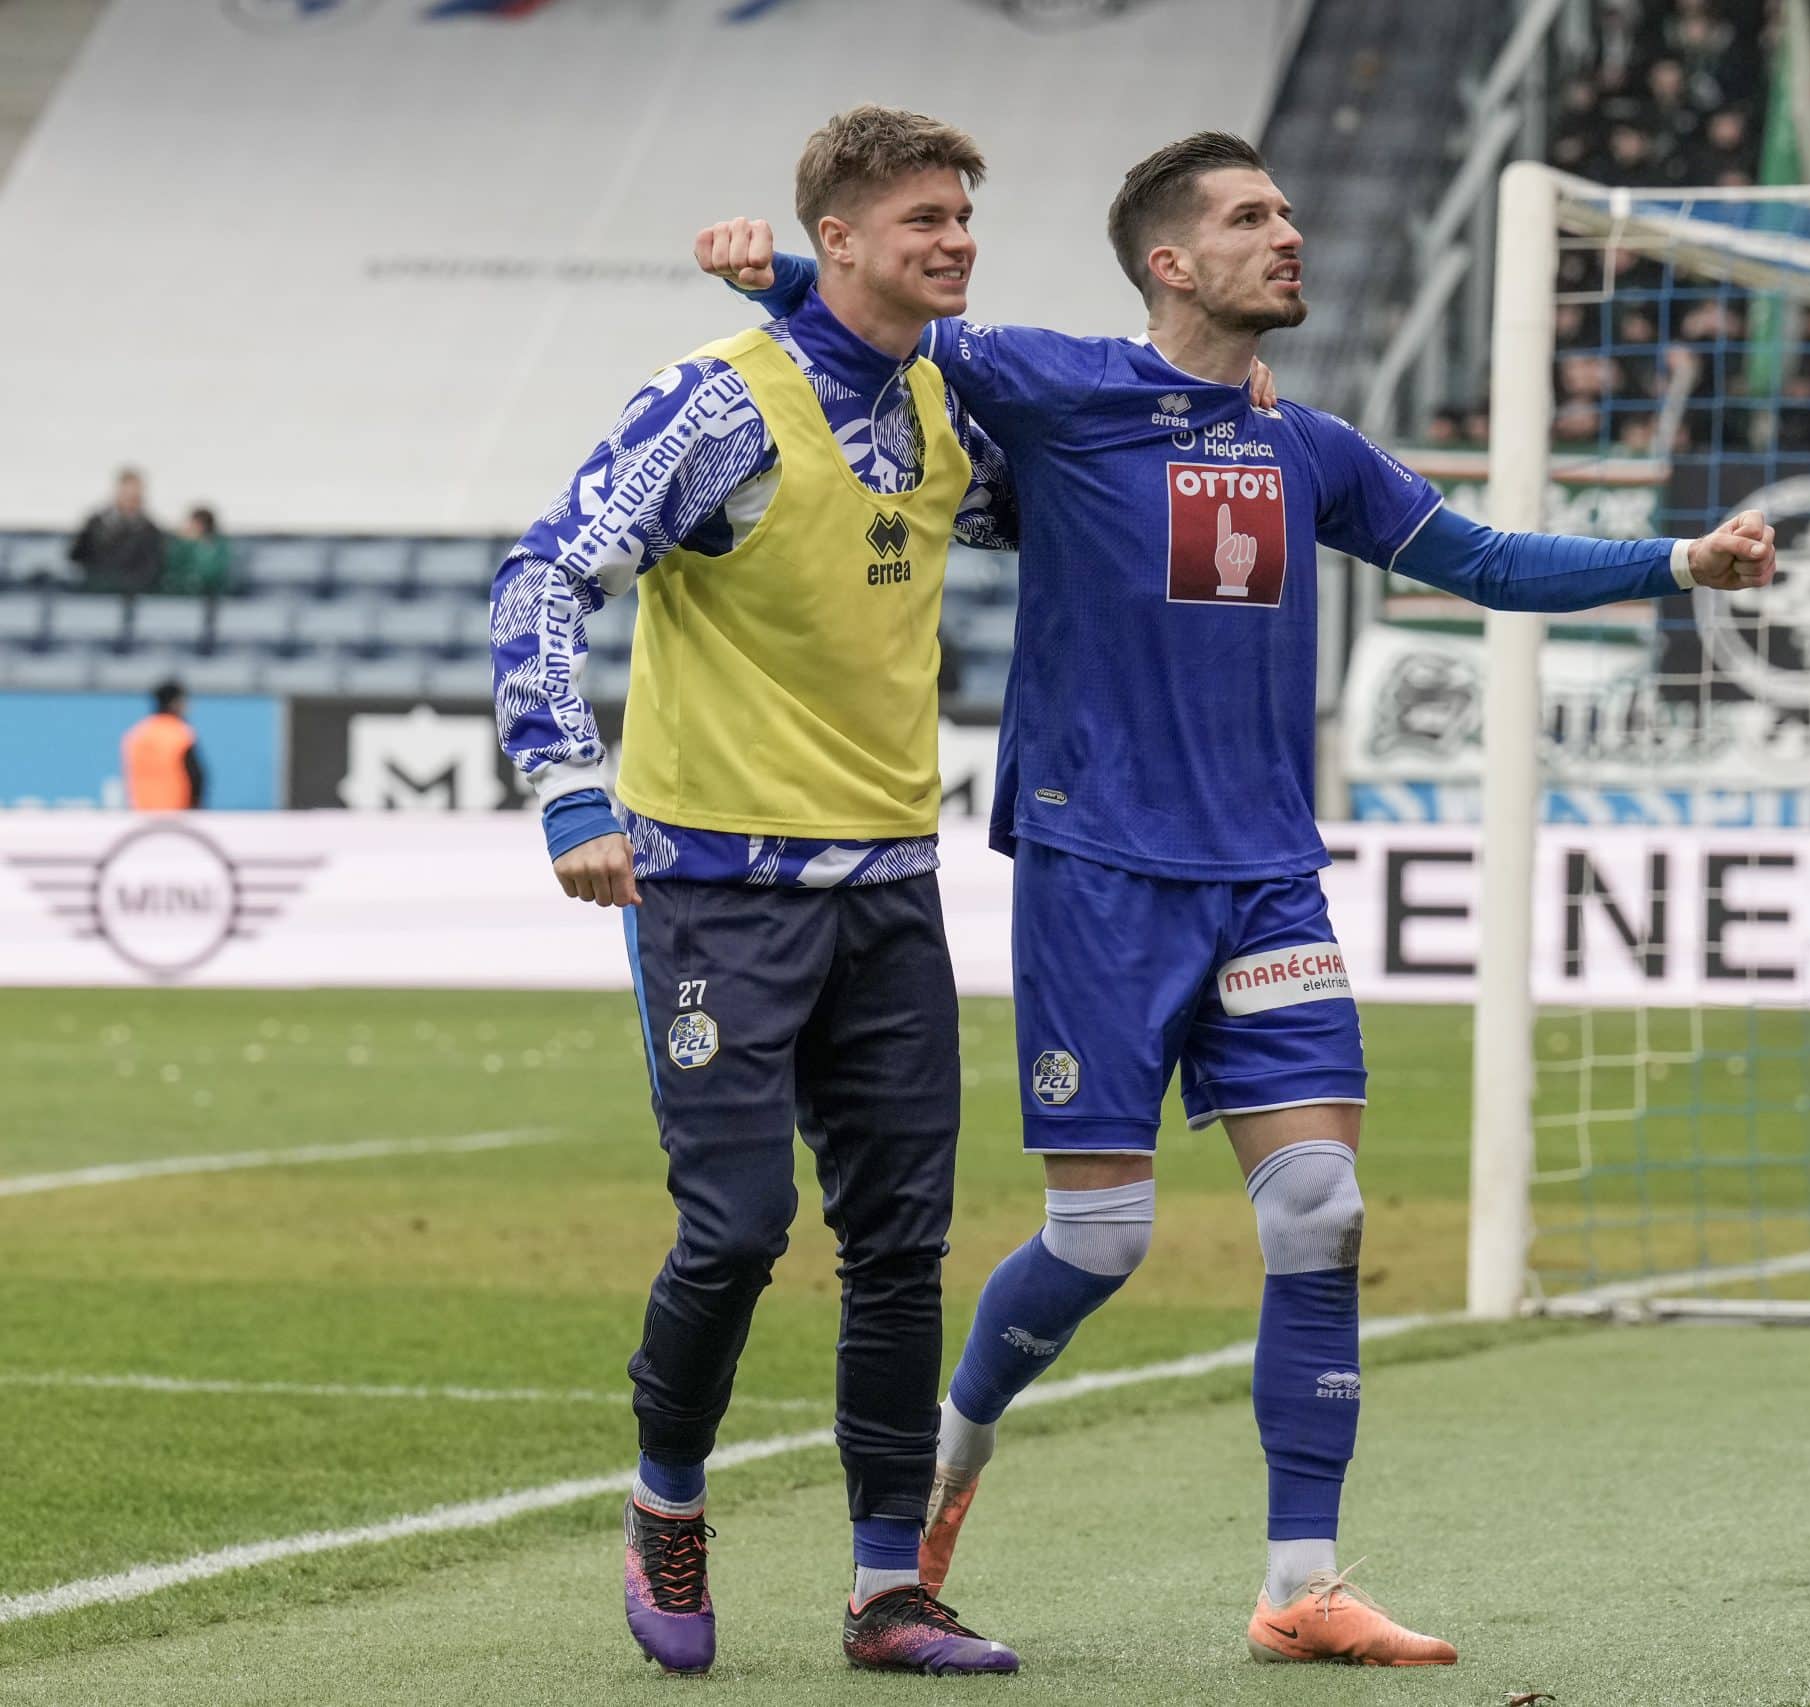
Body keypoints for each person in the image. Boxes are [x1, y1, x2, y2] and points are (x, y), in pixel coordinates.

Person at [700, 130, 1777, 1667]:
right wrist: (779, 270)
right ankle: (949, 1449)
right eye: (1251, 216)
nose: (1289, 235)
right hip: (1097, 870)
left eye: (1287, 212)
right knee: (1101, 1237)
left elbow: (1479, 557)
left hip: (1267, 880)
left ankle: (1300, 1581)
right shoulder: (1058, 384)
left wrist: (1677, 559)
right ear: (1171, 262)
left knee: (1322, 1210)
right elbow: (885, 321)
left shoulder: (1310, 445)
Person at [490, 106, 1033, 1680]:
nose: (957, 240)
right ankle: (668, 1500)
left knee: (902, 1244)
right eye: (924, 218)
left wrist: (1219, 405)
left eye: (964, 216)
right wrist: (570, 788)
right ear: (839, 237)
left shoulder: (948, 404)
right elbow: (544, 573)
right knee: (735, 1230)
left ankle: (888, 1587)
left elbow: (1069, 495)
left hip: (892, 886)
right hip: (717, 888)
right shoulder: (718, 403)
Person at [69, 467, 164, 595]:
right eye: (127, 494)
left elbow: (151, 569)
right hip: (93, 591)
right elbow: (77, 556)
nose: (130, 499)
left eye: (135, 495)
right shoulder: (95, 523)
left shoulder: (150, 531)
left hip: (129, 595)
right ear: (118, 492)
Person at [121, 680, 201, 811]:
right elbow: (196, 776)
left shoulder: (137, 734)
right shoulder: (180, 734)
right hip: (176, 813)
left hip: (141, 812)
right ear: (175, 703)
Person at [162, 506, 233, 598]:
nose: (190, 526)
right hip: (181, 592)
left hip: (207, 593)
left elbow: (214, 574)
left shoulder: (216, 546)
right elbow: (172, 566)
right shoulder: (182, 544)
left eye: (194, 524)